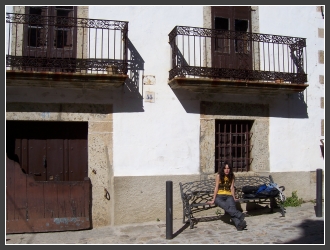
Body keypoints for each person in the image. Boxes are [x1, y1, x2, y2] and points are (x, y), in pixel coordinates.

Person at [207, 162, 247, 231]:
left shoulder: (232, 176)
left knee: (231, 208)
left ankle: (239, 225)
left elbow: (232, 187)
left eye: (228, 168)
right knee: (225, 206)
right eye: (225, 168)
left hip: (229, 196)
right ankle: (239, 214)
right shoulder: (219, 176)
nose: (226, 170)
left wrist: (234, 197)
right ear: (223, 169)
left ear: (230, 169)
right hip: (219, 196)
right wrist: (213, 199)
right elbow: (216, 187)